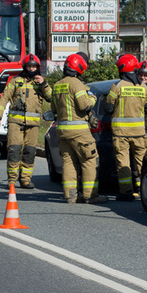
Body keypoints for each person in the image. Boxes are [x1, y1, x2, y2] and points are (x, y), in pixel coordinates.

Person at [51, 52, 107, 204]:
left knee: (68, 162)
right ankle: (90, 196)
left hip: (62, 131)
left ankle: (70, 196)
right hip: (79, 131)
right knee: (90, 160)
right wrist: (93, 98)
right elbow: (84, 105)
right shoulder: (77, 84)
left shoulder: (57, 85)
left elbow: (54, 109)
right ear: (79, 69)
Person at [0, 54, 52, 189]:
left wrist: (44, 84)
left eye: (34, 66)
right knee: (14, 150)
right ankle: (12, 180)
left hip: (33, 125)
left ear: (38, 67)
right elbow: (4, 98)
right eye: (29, 66)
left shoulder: (41, 82)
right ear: (24, 67)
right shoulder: (15, 81)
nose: (31, 69)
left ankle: (25, 179)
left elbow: (51, 98)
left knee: (30, 151)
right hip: (15, 123)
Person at [104, 55, 147, 201]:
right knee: (142, 163)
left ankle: (126, 192)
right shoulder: (143, 87)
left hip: (120, 134)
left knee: (123, 164)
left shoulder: (117, 86)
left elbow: (108, 108)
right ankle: (146, 191)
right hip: (139, 133)